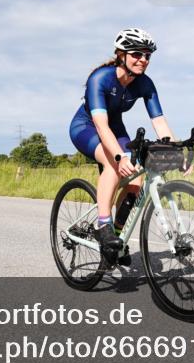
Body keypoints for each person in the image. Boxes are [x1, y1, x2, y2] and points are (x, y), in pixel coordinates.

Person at [68, 28, 173, 265]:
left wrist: (175, 150)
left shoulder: (145, 83)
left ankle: (116, 239)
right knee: (114, 165)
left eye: (147, 56)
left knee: (135, 181)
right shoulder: (101, 79)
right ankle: (103, 225)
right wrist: (118, 157)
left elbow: (159, 121)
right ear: (121, 54)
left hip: (115, 129)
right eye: (137, 54)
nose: (143, 60)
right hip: (87, 127)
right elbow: (101, 126)